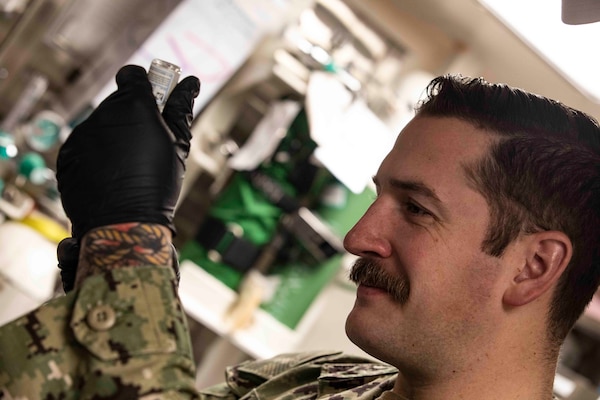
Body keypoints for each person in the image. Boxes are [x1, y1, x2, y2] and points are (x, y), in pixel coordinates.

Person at [0, 68, 599, 400]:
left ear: (533, 266)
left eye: (416, 209)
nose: (358, 237)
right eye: (377, 197)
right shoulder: (313, 384)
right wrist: (101, 263)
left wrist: (130, 238)